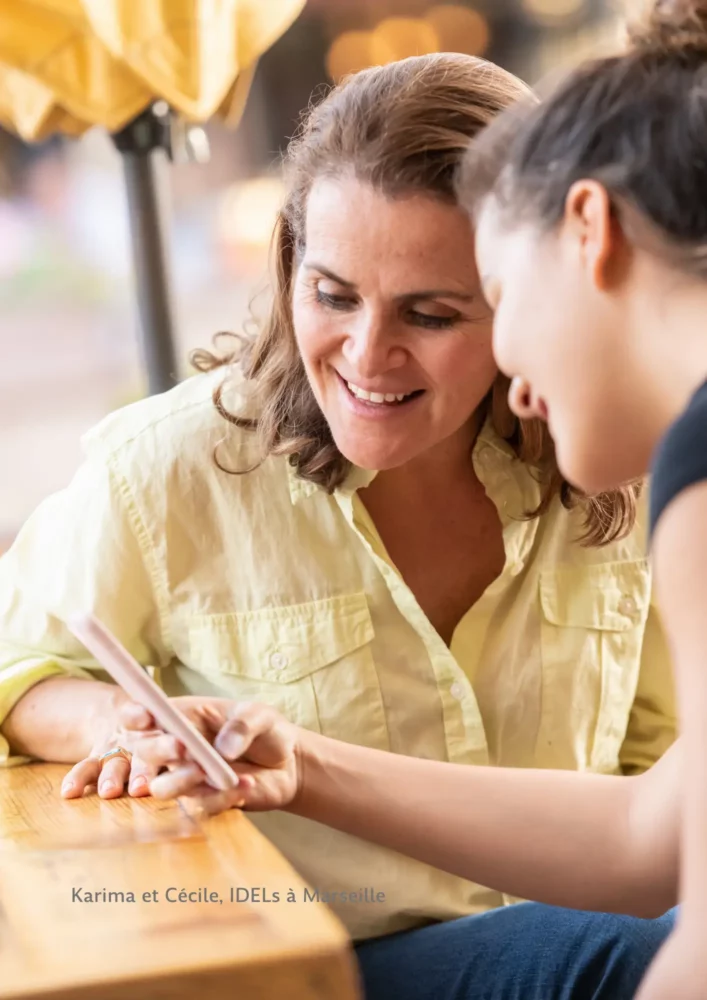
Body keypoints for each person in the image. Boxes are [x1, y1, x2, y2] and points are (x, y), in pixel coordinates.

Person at [0, 53, 676, 1000]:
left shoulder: (611, 462)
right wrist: (127, 725)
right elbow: (15, 666)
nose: (365, 354)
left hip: (587, 916)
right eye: (331, 295)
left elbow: (659, 774)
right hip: (323, 961)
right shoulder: (172, 468)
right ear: (288, 266)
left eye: (431, 313)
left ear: (525, 297)